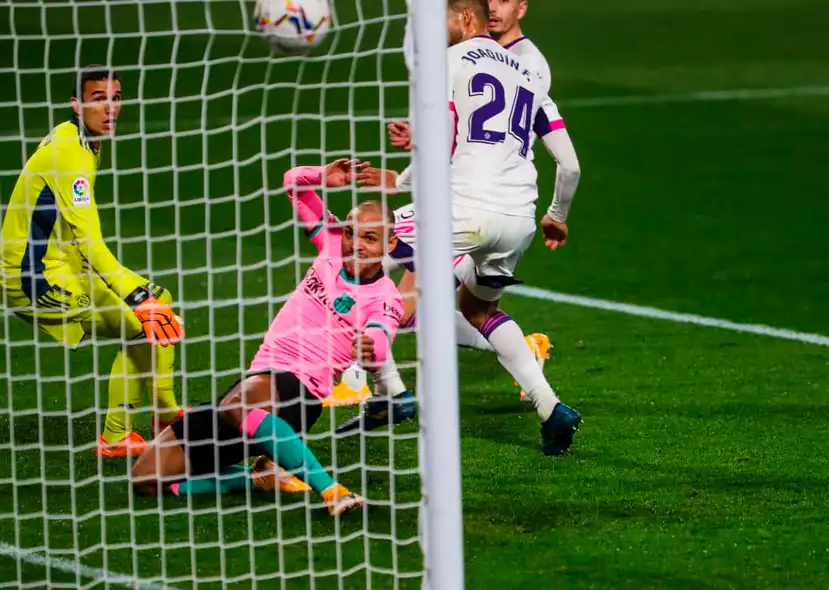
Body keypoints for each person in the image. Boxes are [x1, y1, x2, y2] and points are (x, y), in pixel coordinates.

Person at [345, 0, 581, 455]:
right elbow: (569, 166)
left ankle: (385, 392)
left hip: (464, 209)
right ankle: (552, 409)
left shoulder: (449, 63)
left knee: (357, 252)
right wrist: (557, 216)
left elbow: (444, 142)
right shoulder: (531, 77)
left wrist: (406, 166)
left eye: (446, 20)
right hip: (518, 219)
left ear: (464, 18)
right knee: (477, 310)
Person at [130, 160, 403, 516]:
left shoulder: (385, 297)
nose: (355, 244)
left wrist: (370, 348)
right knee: (145, 480)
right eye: (352, 232)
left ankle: (332, 490)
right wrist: (323, 176)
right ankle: (258, 478)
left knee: (237, 405)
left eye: (369, 238)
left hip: (300, 391)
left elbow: (380, 339)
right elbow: (294, 184)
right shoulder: (332, 245)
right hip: (258, 381)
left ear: (390, 242)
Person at [0, 65, 185, 457]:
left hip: (61, 264)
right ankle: (118, 437)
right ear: (76, 104)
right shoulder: (69, 152)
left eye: (115, 98)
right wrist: (137, 296)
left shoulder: (82, 142)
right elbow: (90, 240)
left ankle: (164, 412)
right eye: (99, 99)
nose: (111, 108)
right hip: (33, 279)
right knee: (140, 323)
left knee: (159, 304)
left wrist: (144, 296)